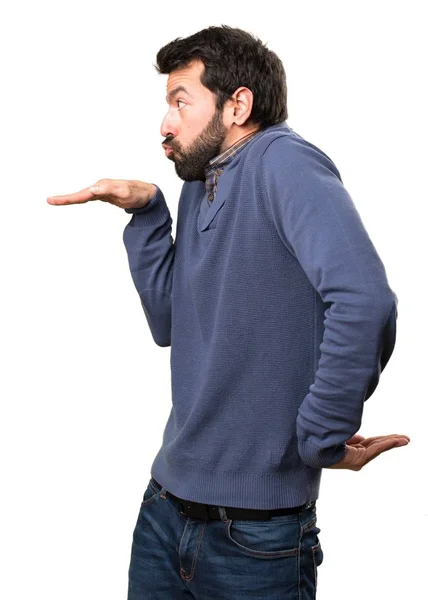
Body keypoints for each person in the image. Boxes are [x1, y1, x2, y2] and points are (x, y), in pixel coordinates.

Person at [47, 25, 410, 600]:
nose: (165, 124)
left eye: (180, 101)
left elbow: (364, 300)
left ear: (238, 104)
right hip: (165, 511)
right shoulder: (202, 180)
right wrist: (146, 216)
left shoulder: (285, 165)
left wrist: (320, 437)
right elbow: (173, 324)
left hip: (257, 539)